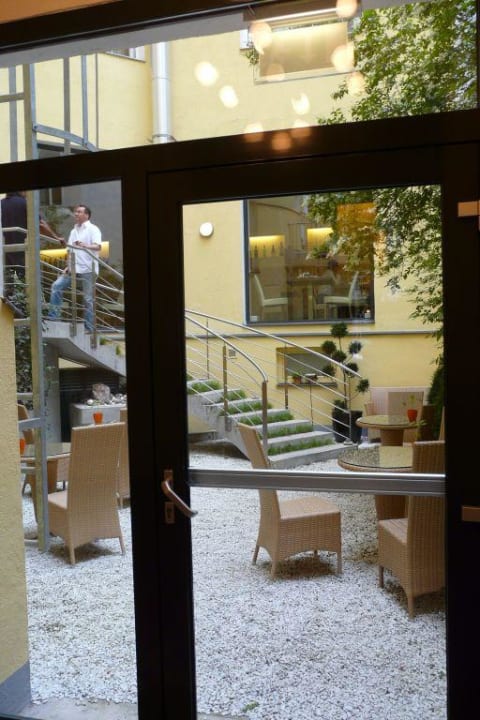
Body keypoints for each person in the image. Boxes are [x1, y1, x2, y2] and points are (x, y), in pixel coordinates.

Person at [48, 204, 101, 332]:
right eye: (75, 212)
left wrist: (85, 245)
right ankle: (54, 319)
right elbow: (70, 250)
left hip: (88, 269)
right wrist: (68, 266)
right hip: (73, 268)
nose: (76, 214)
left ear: (86, 215)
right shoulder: (73, 231)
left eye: (79, 212)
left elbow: (98, 246)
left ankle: (89, 328)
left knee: (88, 299)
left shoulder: (93, 229)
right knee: (56, 286)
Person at [1, 190, 64, 291]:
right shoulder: (25, 203)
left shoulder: (1, 204)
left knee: (7, 283)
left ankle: (9, 298)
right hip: (22, 250)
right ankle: (27, 299)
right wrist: (56, 238)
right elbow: (41, 225)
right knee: (27, 282)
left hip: (4, 250)